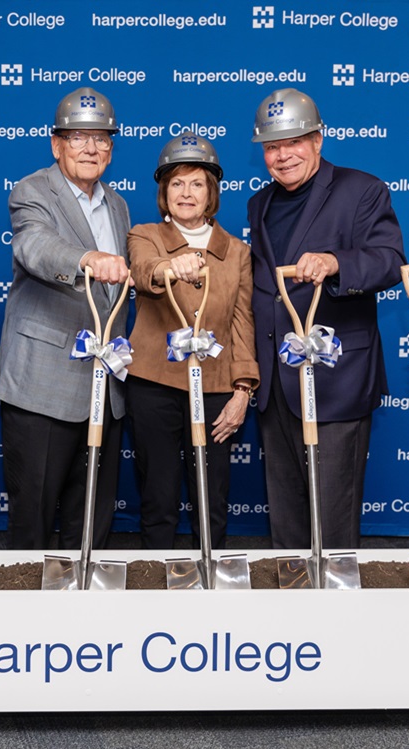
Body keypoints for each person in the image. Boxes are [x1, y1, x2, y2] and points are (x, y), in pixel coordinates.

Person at [247, 88, 405, 550]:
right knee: (287, 512)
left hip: (337, 378)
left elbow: (390, 261)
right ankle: (291, 602)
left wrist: (336, 263)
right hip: (277, 381)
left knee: (333, 514)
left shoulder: (362, 190)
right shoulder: (261, 204)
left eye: (294, 142)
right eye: (272, 147)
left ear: (318, 139)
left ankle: (335, 614)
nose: (282, 155)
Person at [0, 87, 131, 550]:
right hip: (42, 388)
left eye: (101, 138)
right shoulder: (32, 191)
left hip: (103, 387)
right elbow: (35, 247)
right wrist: (88, 257)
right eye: (78, 137)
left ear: (111, 149)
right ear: (57, 145)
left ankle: (87, 613)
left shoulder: (117, 204)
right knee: (32, 518)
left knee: (90, 519)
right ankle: (25, 614)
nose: (91, 148)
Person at [127, 132, 259, 550]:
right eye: (177, 184)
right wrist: (172, 266)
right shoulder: (145, 234)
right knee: (159, 496)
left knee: (212, 495)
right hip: (154, 383)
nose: (186, 193)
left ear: (211, 193)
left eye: (197, 183)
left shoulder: (237, 252)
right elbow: (145, 272)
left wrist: (243, 390)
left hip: (218, 386)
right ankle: (155, 582)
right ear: (164, 192)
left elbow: (242, 322)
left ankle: (210, 582)